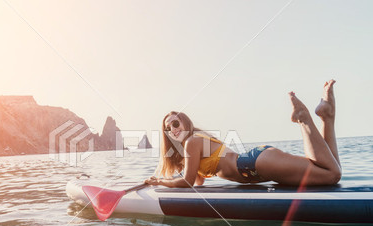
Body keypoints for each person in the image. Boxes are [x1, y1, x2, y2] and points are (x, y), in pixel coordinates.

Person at [145, 80, 342, 187]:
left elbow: (187, 181)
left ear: (186, 122)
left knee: (331, 175)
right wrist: (181, 167)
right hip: (256, 164)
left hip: (253, 164)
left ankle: (303, 118)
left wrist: (161, 182)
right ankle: (327, 117)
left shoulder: (193, 142)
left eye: (176, 122)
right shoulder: (194, 145)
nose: (173, 128)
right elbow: (198, 180)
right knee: (329, 169)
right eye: (168, 128)